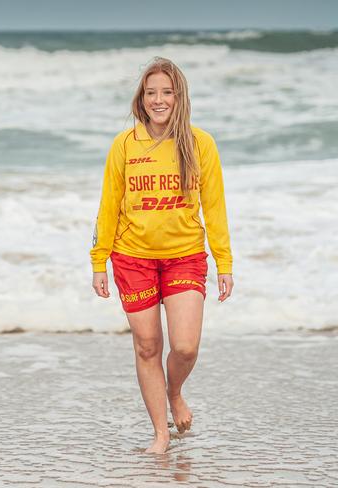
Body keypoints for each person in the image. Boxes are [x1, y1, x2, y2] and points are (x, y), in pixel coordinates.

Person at [90, 57, 234, 454]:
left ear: (179, 97)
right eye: (151, 92)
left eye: (166, 92)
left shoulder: (199, 143)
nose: (159, 99)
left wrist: (224, 263)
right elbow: (109, 206)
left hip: (185, 255)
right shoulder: (124, 145)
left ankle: (175, 392)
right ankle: (160, 434)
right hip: (132, 256)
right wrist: (98, 260)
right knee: (148, 345)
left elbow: (215, 207)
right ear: (142, 98)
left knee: (185, 346)